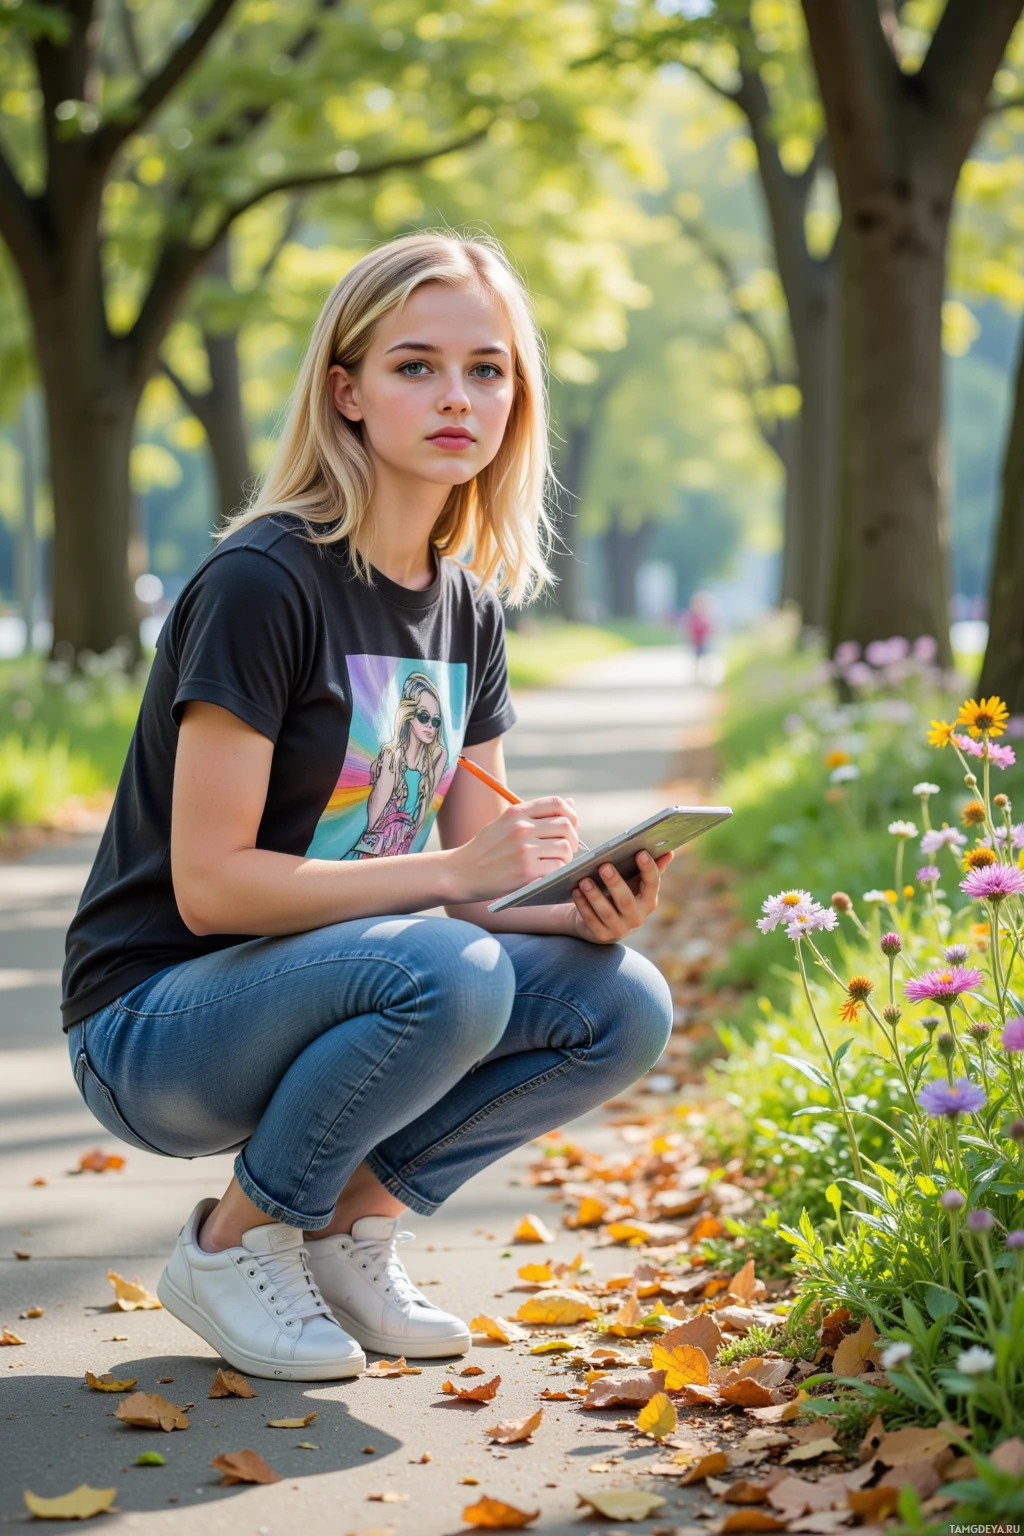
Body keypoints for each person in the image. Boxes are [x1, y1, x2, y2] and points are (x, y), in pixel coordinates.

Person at [62, 232, 674, 1383]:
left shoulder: (467, 612)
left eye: (487, 369)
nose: (458, 397)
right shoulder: (264, 581)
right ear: (345, 392)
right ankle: (231, 1246)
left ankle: (348, 1229)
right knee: (447, 968)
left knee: (621, 1001)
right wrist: (460, 880)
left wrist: (575, 911)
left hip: (350, 980)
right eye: (415, 366)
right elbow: (212, 886)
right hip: (154, 1025)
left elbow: (476, 888)